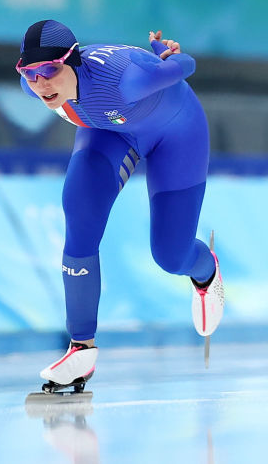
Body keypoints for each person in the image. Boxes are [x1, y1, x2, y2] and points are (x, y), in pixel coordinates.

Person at [17, 20, 225, 391]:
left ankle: (206, 270)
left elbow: (187, 66)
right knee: (79, 211)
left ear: (72, 60)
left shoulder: (129, 80)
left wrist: (165, 56)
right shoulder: (34, 88)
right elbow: (45, 83)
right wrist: (39, 76)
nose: (41, 84)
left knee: (169, 257)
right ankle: (81, 349)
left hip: (177, 134)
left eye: (49, 70)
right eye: (30, 73)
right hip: (109, 133)